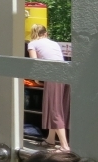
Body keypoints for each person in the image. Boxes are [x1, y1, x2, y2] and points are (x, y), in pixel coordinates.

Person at [28, 24, 71, 152]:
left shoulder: (32, 44)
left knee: (54, 110)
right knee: (59, 108)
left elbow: (34, 62)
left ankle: (64, 146)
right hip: (66, 73)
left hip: (53, 75)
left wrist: (36, 78)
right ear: (45, 33)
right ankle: (50, 140)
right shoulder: (54, 43)